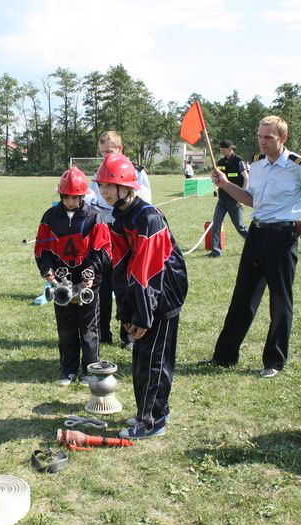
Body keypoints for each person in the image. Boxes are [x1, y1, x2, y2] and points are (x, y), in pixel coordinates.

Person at [199, 115, 301, 378]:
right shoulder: (259, 165)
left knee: (280, 300)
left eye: (269, 137)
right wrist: (226, 184)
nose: (263, 142)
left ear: (283, 138)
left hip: (282, 237)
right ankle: (224, 357)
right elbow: (252, 200)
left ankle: (274, 362)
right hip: (257, 234)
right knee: (242, 297)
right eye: (260, 136)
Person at [93, 152, 188, 439]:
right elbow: (122, 271)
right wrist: (126, 314)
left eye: (110, 184)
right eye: (101, 185)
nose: (104, 190)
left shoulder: (147, 217)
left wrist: (143, 316)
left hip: (162, 298)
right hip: (147, 297)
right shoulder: (121, 217)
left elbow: (148, 272)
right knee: (144, 359)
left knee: (153, 360)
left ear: (127, 187)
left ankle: (152, 421)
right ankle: (155, 411)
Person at [34, 167, 111, 386]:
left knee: (89, 328)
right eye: (66, 197)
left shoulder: (95, 217)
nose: (69, 202)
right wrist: (47, 272)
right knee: (66, 327)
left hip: (88, 280)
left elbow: (104, 251)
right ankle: (68, 369)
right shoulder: (50, 217)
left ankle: (90, 370)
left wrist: (92, 272)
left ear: (82, 195)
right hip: (62, 281)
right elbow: (42, 249)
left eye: (74, 198)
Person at [85, 130, 152, 350]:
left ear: (120, 150)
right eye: (103, 153)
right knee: (101, 284)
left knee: (127, 284)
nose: (106, 157)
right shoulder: (99, 174)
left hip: (128, 234)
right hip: (105, 233)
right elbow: (95, 202)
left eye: (110, 152)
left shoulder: (137, 172)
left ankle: (130, 336)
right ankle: (102, 332)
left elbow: (144, 203)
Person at [206, 139, 250, 258]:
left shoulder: (239, 161)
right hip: (222, 199)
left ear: (230, 148)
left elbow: (246, 178)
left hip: (235, 200)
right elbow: (216, 179)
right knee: (216, 224)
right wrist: (214, 177)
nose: (222, 152)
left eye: (224, 149)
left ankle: (257, 244)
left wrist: (242, 197)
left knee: (240, 227)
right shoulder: (220, 162)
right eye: (221, 150)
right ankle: (216, 251)